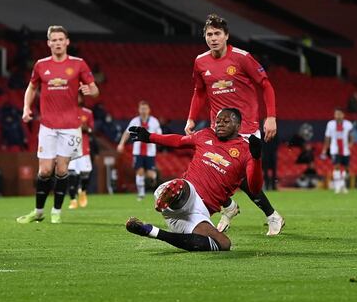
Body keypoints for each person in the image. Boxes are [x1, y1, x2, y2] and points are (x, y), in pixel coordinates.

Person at [185, 14, 284, 236]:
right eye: (209, 34)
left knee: (243, 176)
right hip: (218, 128)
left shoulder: (242, 58)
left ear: (226, 36)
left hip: (246, 127)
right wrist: (191, 118)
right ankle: (233, 207)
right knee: (209, 168)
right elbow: (199, 92)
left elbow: (266, 85)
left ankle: (267, 215)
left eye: (217, 34)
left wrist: (271, 116)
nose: (213, 38)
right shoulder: (200, 61)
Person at [125, 108, 262, 252]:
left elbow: (255, 188)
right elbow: (179, 141)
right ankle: (168, 196)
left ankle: (152, 231)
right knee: (182, 186)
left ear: (238, 126)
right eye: (218, 121)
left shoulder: (247, 150)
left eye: (226, 121)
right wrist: (150, 137)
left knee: (223, 244)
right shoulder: (205, 134)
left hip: (198, 214)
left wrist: (257, 158)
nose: (220, 124)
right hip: (185, 194)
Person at [17, 25, 99, 225]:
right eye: (53, 40)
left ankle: (56, 211)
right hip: (47, 126)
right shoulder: (40, 65)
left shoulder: (79, 64)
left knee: (62, 170)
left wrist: (91, 91)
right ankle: (38, 212)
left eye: (60, 39)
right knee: (44, 171)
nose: (57, 43)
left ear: (67, 42)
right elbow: (31, 87)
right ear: (48, 43)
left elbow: (95, 90)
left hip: (71, 126)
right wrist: (26, 108)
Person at [116, 101, 162, 201]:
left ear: (149, 110)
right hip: (138, 152)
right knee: (139, 171)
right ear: (139, 110)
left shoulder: (154, 121)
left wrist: (157, 141)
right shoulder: (135, 121)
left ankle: (153, 180)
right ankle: (141, 194)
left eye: (145, 109)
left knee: (150, 174)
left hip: (150, 152)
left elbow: (160, 135)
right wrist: (121, 144)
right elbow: (127, 133)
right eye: (142, 109)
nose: (143, 111)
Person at [68, 99, 95, 209]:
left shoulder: (88, 112)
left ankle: (83, 191)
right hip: (71, 148)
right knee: (72, 174)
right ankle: (73, 200)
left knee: (85, 174)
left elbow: (92, 129)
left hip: (84, 148)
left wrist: (85, 128)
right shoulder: (67, 111)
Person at [320, 107, 354, 194]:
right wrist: (325, 148)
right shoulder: (330, 124)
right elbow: (327, 137)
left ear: (343, 115)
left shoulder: (348, 124)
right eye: (336, 114)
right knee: (336, 166)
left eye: (339, 114)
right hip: (335, 148)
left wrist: (351, 143)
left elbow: (351, 135)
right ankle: (337, 187)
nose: (338, 116)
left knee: (346, 168)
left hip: (345, 149)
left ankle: (342, 185)